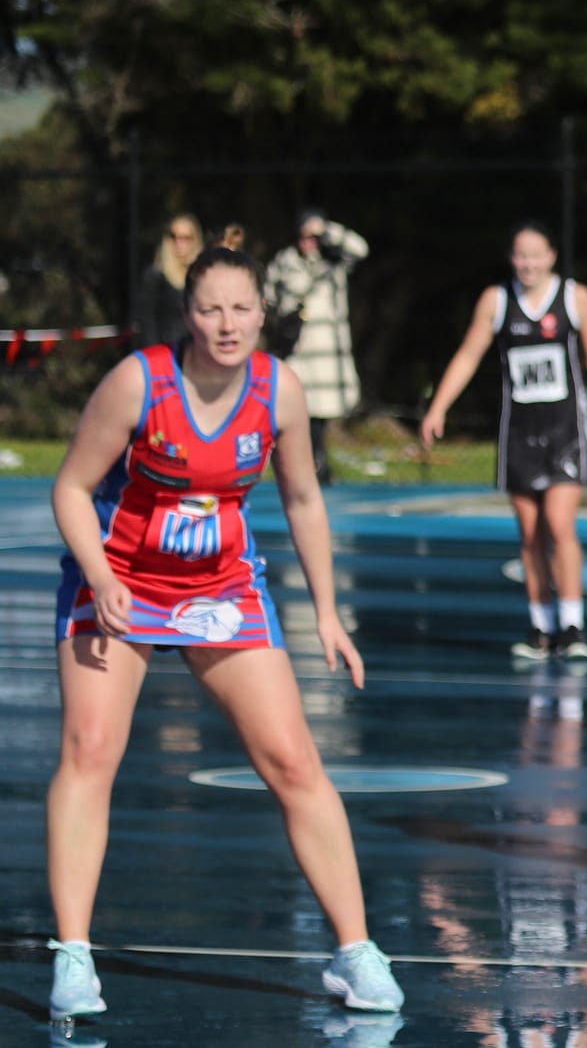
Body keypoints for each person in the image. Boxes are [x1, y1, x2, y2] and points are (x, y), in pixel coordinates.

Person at [46, 245, 405, 1023]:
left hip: (219, 587)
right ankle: (72, 954)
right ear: (187, 314)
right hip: (120, 579)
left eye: (241, 308)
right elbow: (70, 487)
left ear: (262, 313)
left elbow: (303, 499)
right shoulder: (140, 382)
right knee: (90, 749)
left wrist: (327, 611)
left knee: (294, 759)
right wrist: (100, 577)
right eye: (210, 308)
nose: (227, 323)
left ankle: (355, 950)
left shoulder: (279, 391)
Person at [421, 220, 587, 659]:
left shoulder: (575, 298)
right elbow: (469, 354)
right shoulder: (496, 300)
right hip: (519, 431)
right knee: (531, 531)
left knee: (559, 522)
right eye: (521, 255)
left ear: (552, 256)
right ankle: (542, 626)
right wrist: (438, 406)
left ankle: (573, 625)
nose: (528, 264)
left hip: (566, 429)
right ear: (511, 258)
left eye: (536, 255)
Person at [266, 211, 368, 484]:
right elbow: (268, 296)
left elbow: (360, 248)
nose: (308, 241)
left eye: (314, 237)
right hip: (298, 349)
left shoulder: (334, 262)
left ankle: (317, 462)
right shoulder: (285, 261)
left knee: (321, 413)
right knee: (299, 409)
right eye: (304, 235)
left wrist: (326, 231)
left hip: (327, 353)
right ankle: (307, 462)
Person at [130, 213, 204, 349]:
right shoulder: (155, 275)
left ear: (195, 240)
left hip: (199, 351)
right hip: (167, 352)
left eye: (186, 238)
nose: (178, 243)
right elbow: (146, 322)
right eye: (173, 236)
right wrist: (154, 356)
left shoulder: (204, 275)